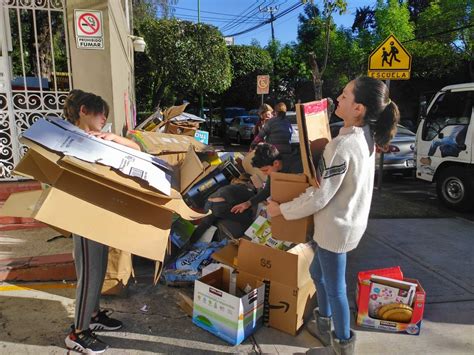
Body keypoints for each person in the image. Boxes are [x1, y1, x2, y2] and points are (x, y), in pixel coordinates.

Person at [267, 77, 399, 355]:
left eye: (345, 95)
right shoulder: (365, 137)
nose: (338, 98)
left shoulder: (341, 146)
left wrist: (281, 210)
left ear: (358, 108)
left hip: (335, 228)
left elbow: (319, 196)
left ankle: (341, 345)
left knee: (337, 289)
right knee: (318, 273)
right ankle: (325, 326)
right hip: (347, 223)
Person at [62, 89, 140, 354]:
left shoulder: (97, 138)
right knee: (90, 274)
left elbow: (137, 149)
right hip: (83, 215)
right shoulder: (67, 139)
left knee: (100, 268)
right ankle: (78, 332)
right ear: (83, 111)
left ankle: (93, 317)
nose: (104, 117)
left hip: (100, 213)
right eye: (100, 112)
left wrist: (113, 137)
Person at [231, 143, 302, 214]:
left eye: (265, 170)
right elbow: (267, 190)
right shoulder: (274, 169)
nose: (264, 173)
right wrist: (248, 203)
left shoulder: (296, 166)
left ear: (276, 163)